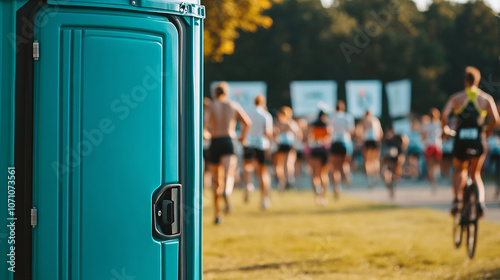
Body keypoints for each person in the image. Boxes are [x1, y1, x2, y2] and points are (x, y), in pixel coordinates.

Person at [441, 66, 499, 217]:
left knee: (459, 170)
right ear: (477, 81)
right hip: (478, 141)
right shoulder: (486, 99)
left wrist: (445, 129)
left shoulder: (456, 98)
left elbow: (444, 115)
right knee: (476, 175)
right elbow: (495, 119)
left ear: (465, 81)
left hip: (461, 141)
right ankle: (480, 203)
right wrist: (487, 129)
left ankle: (457, 200)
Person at [204, 82, 252, 224]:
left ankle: (217, 214)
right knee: (229, 173)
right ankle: (227, 191)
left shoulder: (211, 106)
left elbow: (204, 124)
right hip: (229, 141)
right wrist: (242, 137)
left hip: (215, 141)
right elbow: (247, 122)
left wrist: (206, 134)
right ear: (227, 93)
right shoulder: (234, 105)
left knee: (215, 181)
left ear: (214, 93)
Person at [242, 94, 273, 210]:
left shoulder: (247, 112)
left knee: (247, 167)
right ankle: (264, 199)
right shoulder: (266, 115)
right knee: (263, 173)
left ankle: (249, 184)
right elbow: (268, 133)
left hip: (249, 143)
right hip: (261, 144)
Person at [329, 100, 355, 199]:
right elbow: (351, 130)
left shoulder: (332, 117)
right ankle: (347, 175)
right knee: (345, 163)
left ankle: (337, 187)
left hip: (335, 142)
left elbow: (329, 130)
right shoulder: (348, 117)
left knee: (335, 168)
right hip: (345, 141)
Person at [274, 106, 301, 191]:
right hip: (283, 145)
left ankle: (288, 181)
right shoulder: (281, 123)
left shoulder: (288, 123)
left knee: (287, 164)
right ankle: (284, 181)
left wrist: (296, 143)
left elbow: (298, 134)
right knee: (281, 165)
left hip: (287, 145)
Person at [308, 110, 332, 205]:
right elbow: (329, 137)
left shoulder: (313, 125)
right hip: (324, 151)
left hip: (315, 150)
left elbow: (309, 136)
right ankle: (323, 196)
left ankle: (317, 196)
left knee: (315, 175)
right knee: (324, 174)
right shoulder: (327, 125)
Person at [381, 126, 409, 199]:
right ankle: (392, 182)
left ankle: (390, 181)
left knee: (389, 170)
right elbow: (405, 144)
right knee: (395, 170)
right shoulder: (400, 137)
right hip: (396, 156)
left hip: (391, 156)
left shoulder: (388, 139)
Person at [360, 111, 383, 187]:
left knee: (368, 161)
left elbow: (360, 132)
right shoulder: (376, 120)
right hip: (375, 140)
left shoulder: (364, 121)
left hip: (368, 141)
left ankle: (370, 178)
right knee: (375, 159)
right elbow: (381, 133)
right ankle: (376, 176)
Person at [422, 108, 443, 189]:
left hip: (429, 145)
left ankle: (432, 180)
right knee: (437, 164)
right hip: (437, 145)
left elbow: (423, 136)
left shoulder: (426, 125)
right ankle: (437, 176)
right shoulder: (439, 124)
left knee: (430, 165)